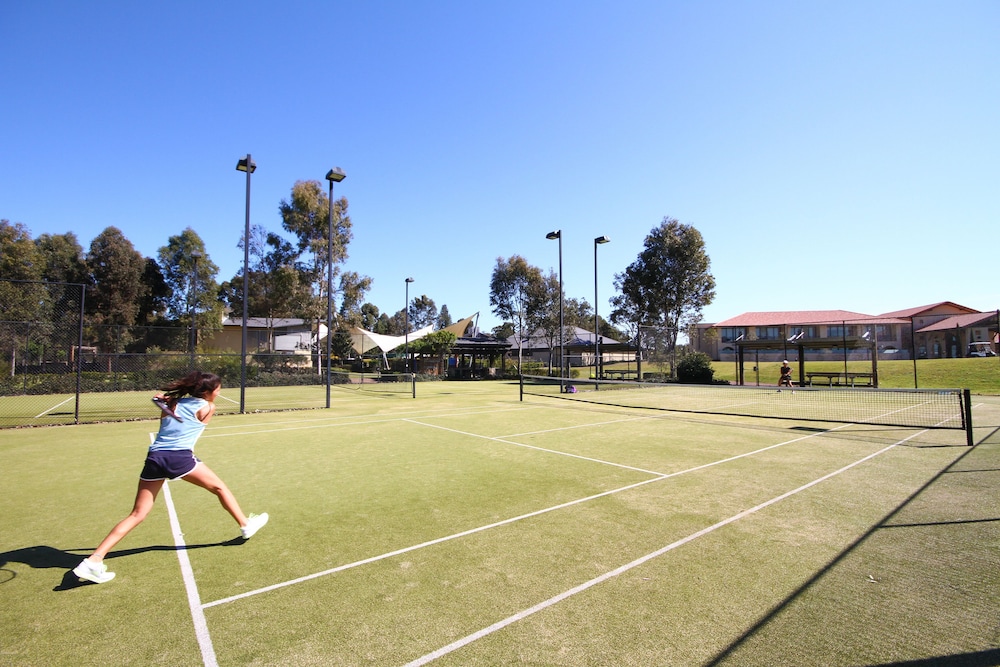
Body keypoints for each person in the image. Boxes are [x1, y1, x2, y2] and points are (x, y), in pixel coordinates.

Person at [72, 370, 268, 584]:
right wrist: (170, 403)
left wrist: (168, 402)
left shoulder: (172, 404)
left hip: (155, 459)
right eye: (217, 390)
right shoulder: (208, 408)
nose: (219, 393)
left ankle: (94, 560)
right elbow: (187, 417)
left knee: (138, 514)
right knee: (219, 488)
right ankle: (245, 525)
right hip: (179, 458)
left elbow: (162, 399)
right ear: (206, 392)